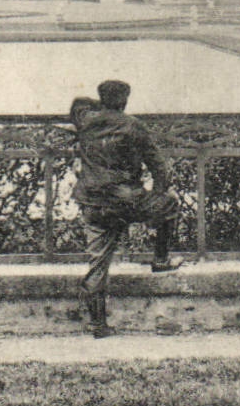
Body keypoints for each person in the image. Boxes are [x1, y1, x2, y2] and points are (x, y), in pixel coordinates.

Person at [69, 79, 181, 338]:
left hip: (93, 203)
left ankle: (98, 325)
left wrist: (104, 106)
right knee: (170, 204)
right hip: (129, 202)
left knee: (98, 263)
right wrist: (158, 193)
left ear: (101, 99)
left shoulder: (85, 121)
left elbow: (77, 103)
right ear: (125, 100)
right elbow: (160, 168)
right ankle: (161, 259)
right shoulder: (133, 126)